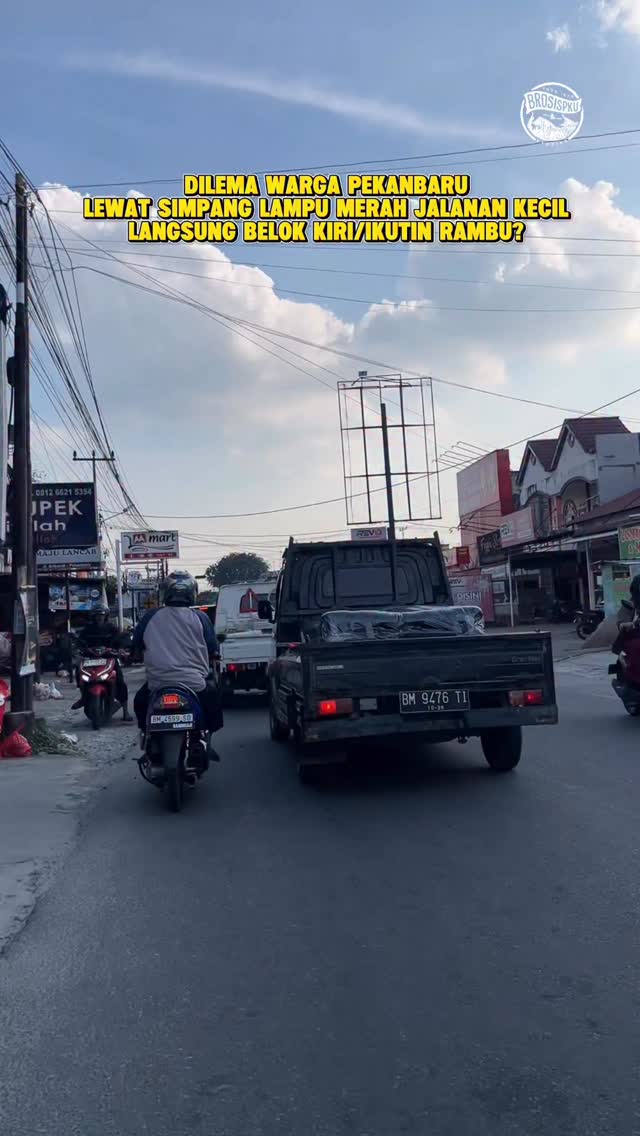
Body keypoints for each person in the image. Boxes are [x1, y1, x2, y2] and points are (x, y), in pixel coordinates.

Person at [131, 571, 222, 761]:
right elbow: (213, 647)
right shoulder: (200, 617)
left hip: (158, 683)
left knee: (140, 702)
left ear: (165, 592)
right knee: (213, 702)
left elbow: (135, 645)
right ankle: (204, 740)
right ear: (192, 593)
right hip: (195, 683)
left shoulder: (150, 617)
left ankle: (148, 740)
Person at [73, 611, 131, 720]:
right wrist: (80, 649)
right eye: (97, 615)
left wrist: (120, 648)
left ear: (106, 616)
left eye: (102, 615)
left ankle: (125, 711)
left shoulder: (112, 628)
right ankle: (83, 697)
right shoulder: (88, 629)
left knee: (120, 681)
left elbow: (121, 639)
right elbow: (80, 641)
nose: (99, 617)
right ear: (93, 617)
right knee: (79, 672)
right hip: (91, 659)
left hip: (109, 659)